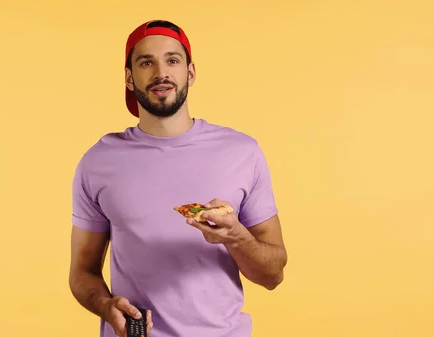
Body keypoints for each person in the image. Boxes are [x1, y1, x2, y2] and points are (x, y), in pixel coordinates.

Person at [68, 19, 288, 337]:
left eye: (173, 60)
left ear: (191, 72)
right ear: (129, 78)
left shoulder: (242, 152)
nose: (161, 73)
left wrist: (235, 237)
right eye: (147, 62)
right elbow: (81, 272)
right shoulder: (98, 161)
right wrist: (105, 306)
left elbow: (273, 276)